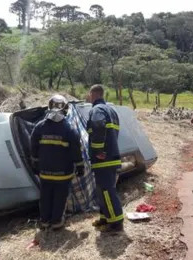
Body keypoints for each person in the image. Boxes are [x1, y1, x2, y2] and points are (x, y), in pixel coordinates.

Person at [30, 94, 85, 230]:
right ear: (65, 109)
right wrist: (80, 167)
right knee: (60, 198)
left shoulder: (39, 127)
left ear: (49, 107)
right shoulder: (69, 129)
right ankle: (56, 222)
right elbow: (76, 151)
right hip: (63, 173)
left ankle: (44, 221)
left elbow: (33, 147)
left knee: (45, 197)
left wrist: (35, 165)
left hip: (45, 172)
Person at [87, 84, 124, 232]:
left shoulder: (97, 110)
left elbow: (98, 126)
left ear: (92, 94)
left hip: (103, 159)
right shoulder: (111, 110)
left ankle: (115, 223)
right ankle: (105, 218)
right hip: (110, 157)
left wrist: (97, 149)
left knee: (107, 190)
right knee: (102, 191)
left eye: (89, 95)